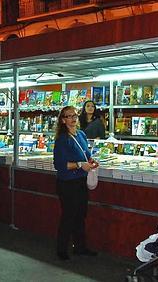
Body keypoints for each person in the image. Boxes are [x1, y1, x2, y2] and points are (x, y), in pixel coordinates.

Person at [53, 106, 99, 261]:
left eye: (75, 115)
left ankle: (80, 247)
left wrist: (91, 162)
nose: (73, 118)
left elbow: (86, 155)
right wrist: (80, 165)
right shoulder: (62, 139)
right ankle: (62, 249)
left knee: (80, 214)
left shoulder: (81, 135)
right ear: (63, 120)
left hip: (80, 181)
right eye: (69, 116)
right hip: (67, 183)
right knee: (69, 216)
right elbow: (60, 164)